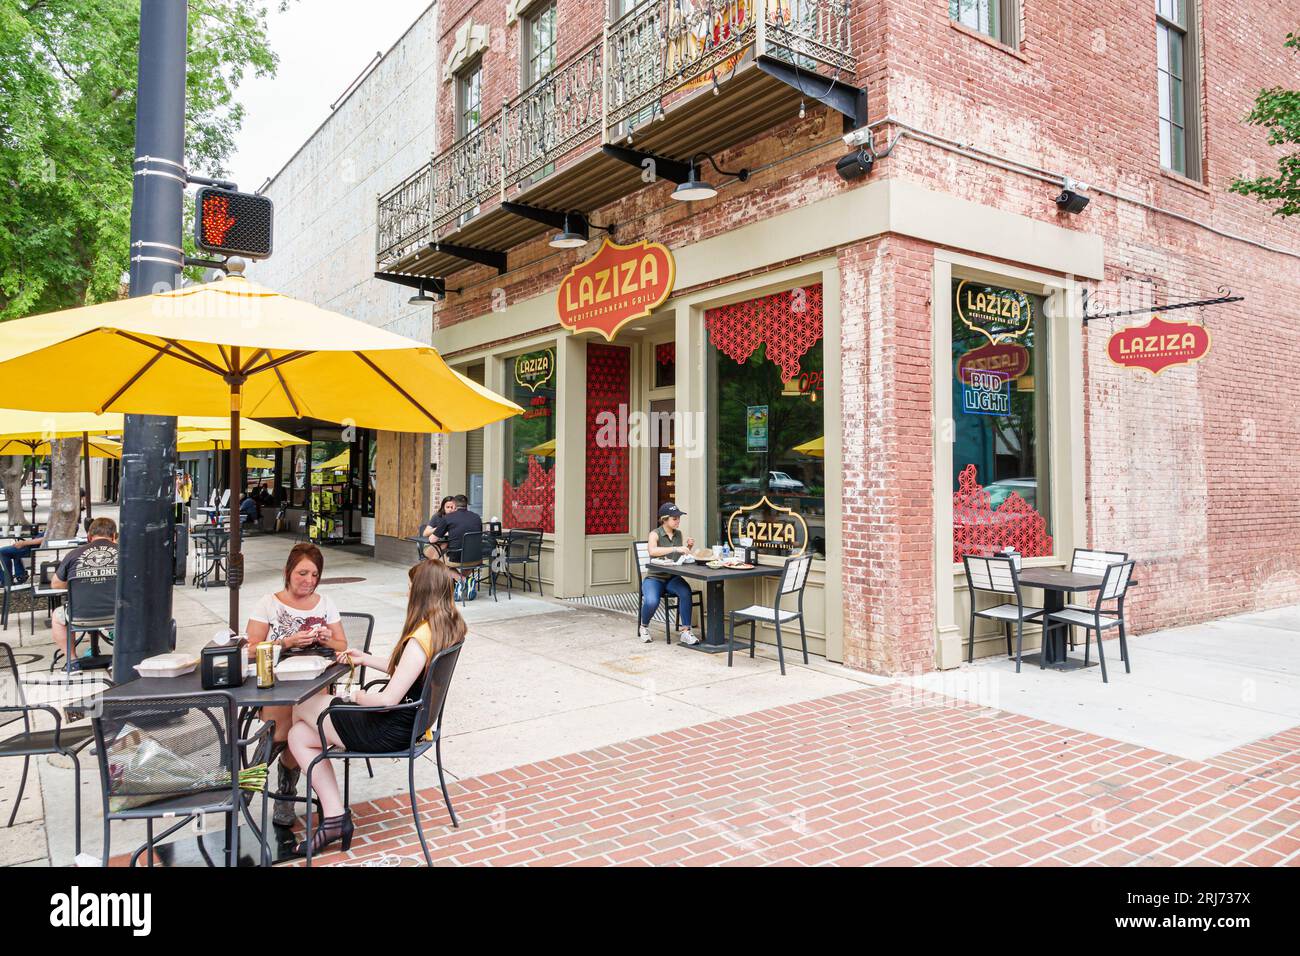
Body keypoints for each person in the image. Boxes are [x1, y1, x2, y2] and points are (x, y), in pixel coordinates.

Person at [286, 558, 467, 856]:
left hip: (388, 728)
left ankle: (319, 805)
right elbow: (409, 671)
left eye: (411, 587)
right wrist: (365, 658)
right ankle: (334, 818)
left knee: (302, 704)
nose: (408, 591)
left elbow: (386, 700)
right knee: (298, 735)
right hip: (412, 724)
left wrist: (353, 697)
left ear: (421, 591)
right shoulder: (447, 626)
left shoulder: (420, 637)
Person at [245, 543, 347, 827]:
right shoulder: (269, 602)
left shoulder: (325, 603)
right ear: (288, 572)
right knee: (285, 729)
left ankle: (274, 790)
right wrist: (286, 642)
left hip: (314, 683)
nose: (309, 581)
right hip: (276, 683)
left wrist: (324, 638)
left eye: (315, 575)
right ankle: (267, 785)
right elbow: (250, 648)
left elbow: (342, 644)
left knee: (298, 729)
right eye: (303, 573)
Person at [50, 517, 118, 670]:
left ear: (89, 537)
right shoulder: (124, 553)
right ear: (114, 536)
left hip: (79, 616)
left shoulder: (74, 554)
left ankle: (72, 662)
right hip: (117, 615)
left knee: (57, 616)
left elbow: (55, 584)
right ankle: (119, 657)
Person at [640, 503, 699, 645]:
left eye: (679, 518)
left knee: (686, 592)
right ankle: (644, 626)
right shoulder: (655, 534)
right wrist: (676, 548)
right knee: (652, 601)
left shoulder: (678, 534)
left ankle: (686, 631)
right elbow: (653, 552)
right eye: (674, 518)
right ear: (664, 519)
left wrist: (687, 548)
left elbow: (677, 559)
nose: (678, 521)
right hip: (655, 578)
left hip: (672, 577)